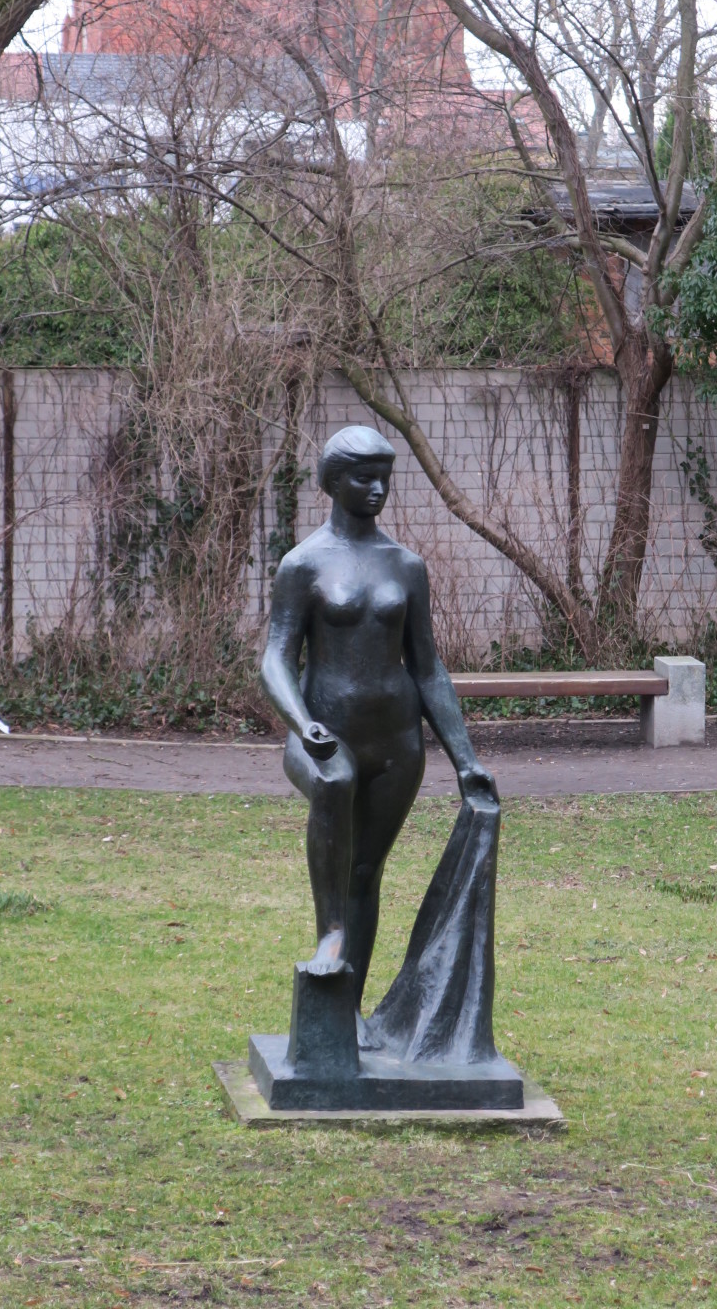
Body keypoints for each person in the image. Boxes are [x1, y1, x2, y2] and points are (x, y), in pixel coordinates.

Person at [260, 425, 499, 1012]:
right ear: (333, 481)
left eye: (384, 479)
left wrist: (465, 759)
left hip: (396, 742)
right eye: (364, 478)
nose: (377, 490)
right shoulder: (302, 564)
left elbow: (428, 669)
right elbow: (275, 657)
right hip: (323, 733)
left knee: (366, 870)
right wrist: (302, 724)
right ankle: (330, 932)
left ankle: (349, 1011)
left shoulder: (405, 566)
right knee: (334, 782)